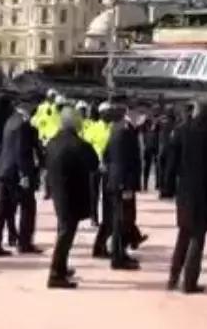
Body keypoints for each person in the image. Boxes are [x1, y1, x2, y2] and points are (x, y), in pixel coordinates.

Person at [164, 102, 207, 294]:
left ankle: (173, 278)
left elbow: (171, 162)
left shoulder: (182, 131)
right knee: (197, 238)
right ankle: (189, 282)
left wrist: (168, 188)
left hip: (185, 191)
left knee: (183, 235)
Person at [44, 107, 98, 289]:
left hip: (59, 193)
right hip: (73, 195)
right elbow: (94, 163)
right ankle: (55, 274)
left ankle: (61, 267)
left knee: (63, 231)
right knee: (66, 234)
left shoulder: (52, 142)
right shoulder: (79, 144)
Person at [92, 103, 142, 270]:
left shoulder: (119, 129)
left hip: (115, 181)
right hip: (122, 184)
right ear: (131, 112)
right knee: (121, 220)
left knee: (119, 219)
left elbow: (106, 155)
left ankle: (119, 253)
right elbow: (124, 162)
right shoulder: (124, 132)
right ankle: (118, 257)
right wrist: (126, 185)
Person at [0, 105, 43, 257]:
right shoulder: (23, 124)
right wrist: (24, 174)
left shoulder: (10, 121)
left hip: (5, 171)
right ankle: (25, 243)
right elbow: (21, 151)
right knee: (27, 207)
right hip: (17, 174)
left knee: (2, 209)